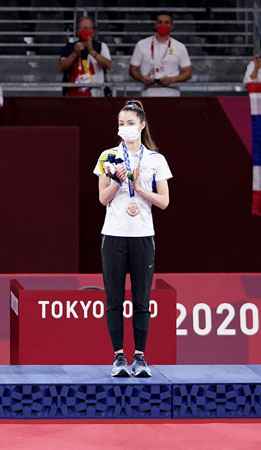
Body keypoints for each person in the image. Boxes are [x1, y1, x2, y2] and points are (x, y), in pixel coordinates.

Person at [93, 100, 172, 377]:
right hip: (114, 234)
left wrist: (140, 188)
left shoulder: (155, 160)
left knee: (141, 300)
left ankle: (139, 357)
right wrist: (117, 181)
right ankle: (118, 357)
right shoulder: (108, 156)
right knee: (114, 298)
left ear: (141, 125)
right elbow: (102, 199)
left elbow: (164, 202)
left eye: (130, 123)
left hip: (142, 235)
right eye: (121, 124)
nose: (125, 128)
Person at [129, 11, 192, 97]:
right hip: (148, 94)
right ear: (155, 25)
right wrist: (142, 79)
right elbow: (132, 70)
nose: (163, 25)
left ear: (172, 26)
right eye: (160, 22)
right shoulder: (142, 44)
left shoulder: (179, 47)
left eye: (166, 23)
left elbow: (188, 73)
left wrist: (172, 79)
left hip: (172, 94)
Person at [57, 16, 112, 97]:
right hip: (74, 94)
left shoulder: (101, 46)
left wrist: (92, 52)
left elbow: (108, 65)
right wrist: (74, 54)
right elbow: (60, 68)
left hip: (97, 94)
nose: (86, 30)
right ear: (78, 31)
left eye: (89, 28)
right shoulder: (69, 47)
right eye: (83, 28)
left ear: (93, 31)